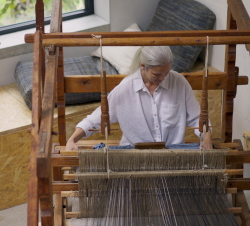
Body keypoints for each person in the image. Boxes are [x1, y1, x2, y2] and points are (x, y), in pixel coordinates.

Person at [65, 45, 212, 151]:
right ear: (143, 66)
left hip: (172, 156)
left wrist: (206, 137)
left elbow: (197, 118)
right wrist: (72, 139)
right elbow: (95, 120)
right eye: (157, 74)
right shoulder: (125, 89)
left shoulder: (179, 82)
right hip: (134, 157)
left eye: (167, 72)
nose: (164, 78)